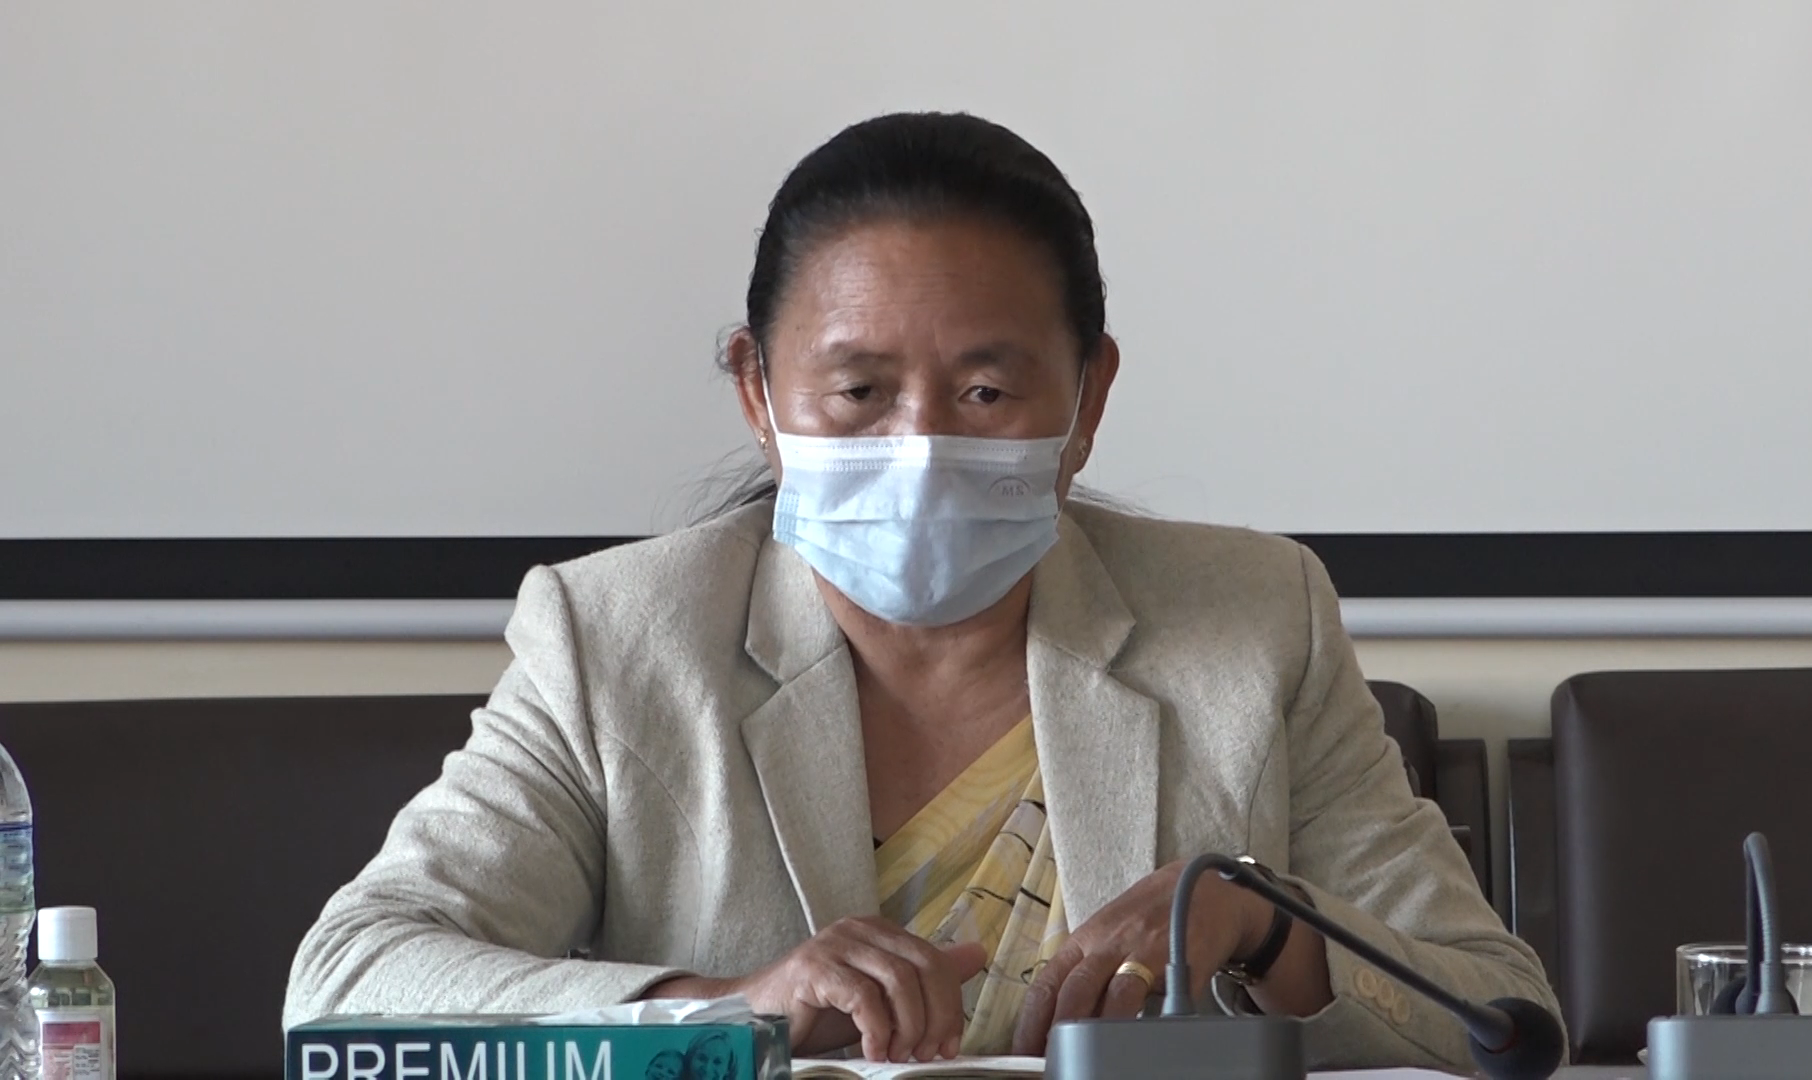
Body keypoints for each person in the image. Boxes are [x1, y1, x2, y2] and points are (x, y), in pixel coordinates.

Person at [283, 111, 1559, 1071]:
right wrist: (728, 1011)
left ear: (1090, 397)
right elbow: (347, 988)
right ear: (758, 394)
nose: (922, 444)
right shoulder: (617, 638)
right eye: (858, 391)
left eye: (987, 391)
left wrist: (1271, 934)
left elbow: (1500, 1015)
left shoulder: (1251, 620)